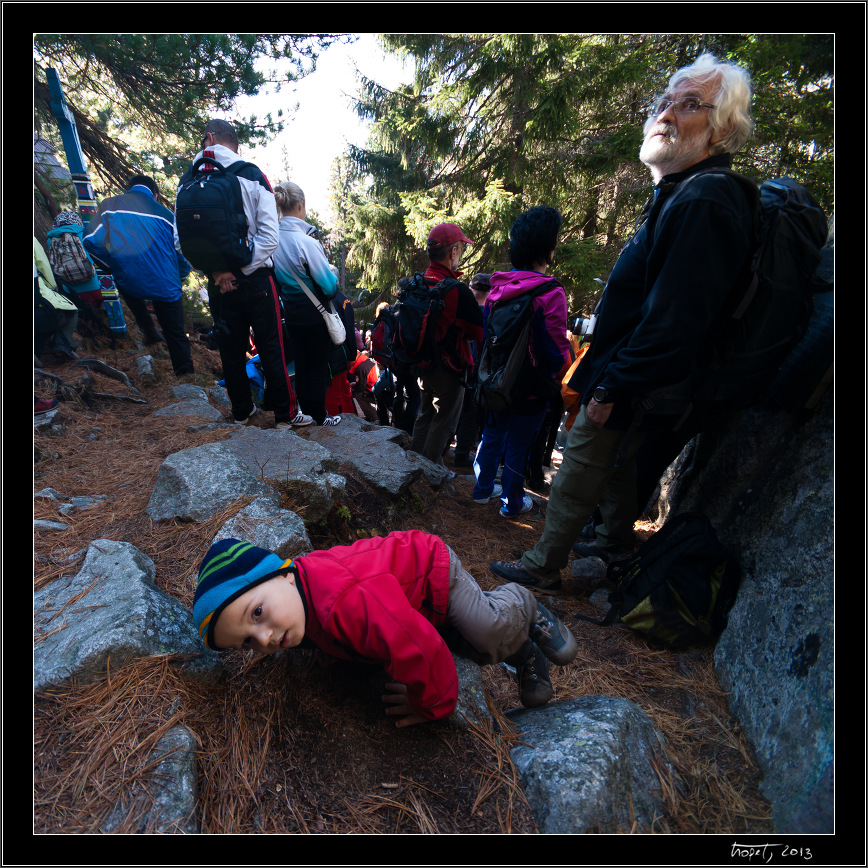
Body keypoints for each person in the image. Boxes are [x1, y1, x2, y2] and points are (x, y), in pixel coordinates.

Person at [491, 52, 755, 590]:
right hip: (638, 376)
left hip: (635, 377)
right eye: (664, 101)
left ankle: (542, 566)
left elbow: (677, 318)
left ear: (721, 128)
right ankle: (610, 547)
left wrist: (611, 384)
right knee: (615, 469)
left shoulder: (704, 199)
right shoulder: (681, 193)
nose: (666, 114)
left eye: (689, 105)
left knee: (580, 467)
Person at [192, 532, 578, 726]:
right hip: (410, 601)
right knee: (473, 650)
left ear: (286, 574)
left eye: (256, 613)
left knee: (486, 630)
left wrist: (431, 705)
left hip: (431, 570)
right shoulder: (293, 608)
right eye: (246, 643)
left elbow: (420, 647)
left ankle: (521, 602)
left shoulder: (347, 599)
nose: (263, 639)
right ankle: (526, 652)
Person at [174, 120, 311, 428]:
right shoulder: (251, 175)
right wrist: (239, 270)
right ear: (227, 142)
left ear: (207, 138)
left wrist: (219, 273)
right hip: (257, 281)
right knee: (271, 347)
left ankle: (241, 413)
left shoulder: (187, 182)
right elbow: (269, 238)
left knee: (231, 350)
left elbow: (180, 242)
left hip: (217, 285)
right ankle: (285, 416)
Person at [472, 208, 571, 517]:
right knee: (518, 445)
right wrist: (563, 375)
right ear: (547, 246)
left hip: (497, 379)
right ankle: (512, 503)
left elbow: (488, 337)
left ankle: (481, 490)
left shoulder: (497, 290)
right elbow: (556, 349)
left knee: (492, 435)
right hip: (531, 385)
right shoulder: (551, 292)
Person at [84, 175, 195, 376]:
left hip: (129, 277)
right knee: (176, 332)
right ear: (155, 195)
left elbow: (90, 240)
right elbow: (184, 256)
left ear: (130, 188)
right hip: (165, 282)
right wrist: (179, 277)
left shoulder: (110, 205)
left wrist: (111, 264)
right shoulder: (168, 216)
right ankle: (185, 374)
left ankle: (147, 326)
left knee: (125, 280)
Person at [409, 223, 484, 477]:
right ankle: (426, 477)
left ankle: (412, 466)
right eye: (460, 248)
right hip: (449, 369)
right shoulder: (457, 290)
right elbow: (478, 331)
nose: (461, 253)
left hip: (421, 364)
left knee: (425, 414)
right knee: (444, 422)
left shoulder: (418, 282)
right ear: (453, 252)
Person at [272, 180, 341, 426]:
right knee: (318, 367)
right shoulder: (307, 243)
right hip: (315, 313)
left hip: (291, 312)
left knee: (301, 366)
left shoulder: (272, 240)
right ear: (300, 205)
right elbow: (329, 287)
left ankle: (306, 415)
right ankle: (321, 417)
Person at [452, 272, 491, 467]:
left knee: (452, 409)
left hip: (456, 366)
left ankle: (443, 449)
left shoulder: (462, 309)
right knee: (470, 415)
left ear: (471, 289)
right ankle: (461, 454)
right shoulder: (492, 314)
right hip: (480, 373)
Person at [34, 236, 79, 362]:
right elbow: (43, 265)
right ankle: (62, 344)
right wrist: (51, 287)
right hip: (39, 308)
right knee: (70, 311)